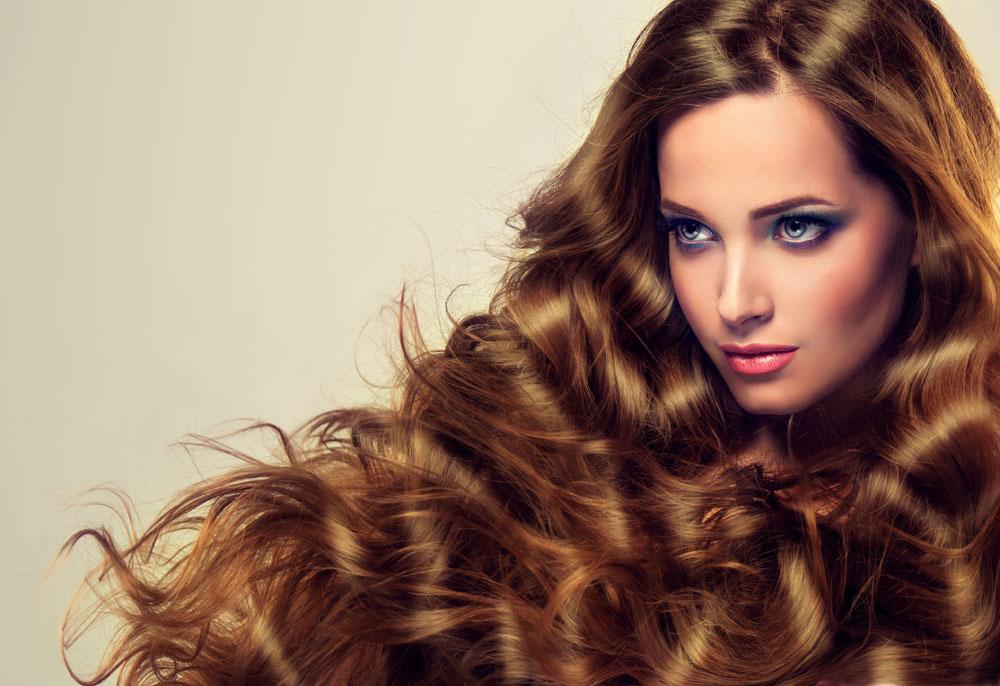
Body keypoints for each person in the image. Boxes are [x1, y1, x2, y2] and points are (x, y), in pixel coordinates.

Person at [59, 0, 1000, 683]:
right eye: (692, 232)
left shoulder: (977, 521)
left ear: (922, 221)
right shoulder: (557, 434)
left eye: (797, 228)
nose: (734, 299)